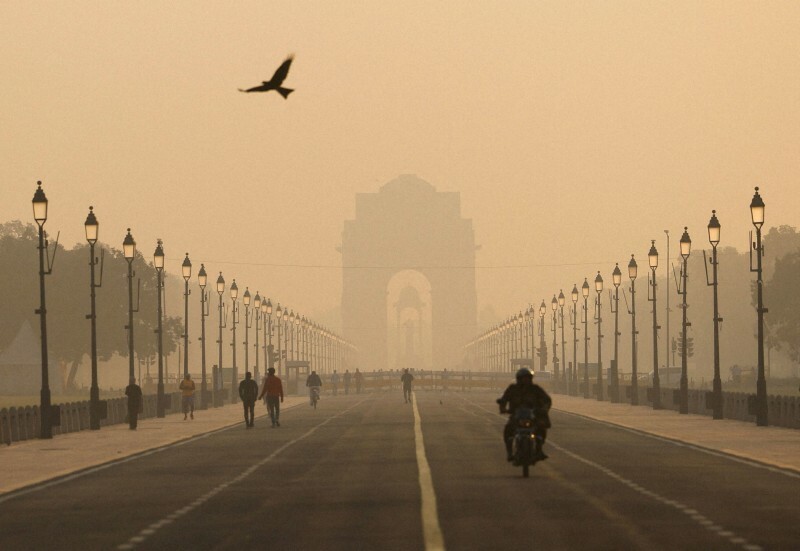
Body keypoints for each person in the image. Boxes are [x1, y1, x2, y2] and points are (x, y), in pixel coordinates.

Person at [496, 368, 552, 461]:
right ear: (519, 379)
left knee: (541, 428)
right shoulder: (512, 389)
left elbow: (546, 399)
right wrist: (503, 408)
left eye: (527, 378)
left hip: (532, 415)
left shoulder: (535, 389)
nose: (525, 380)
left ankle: (539, 449)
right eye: (523, 378)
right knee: (508, 431)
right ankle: (510, 453)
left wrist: (544, 409)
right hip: (516, 415)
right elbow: (504, 399)